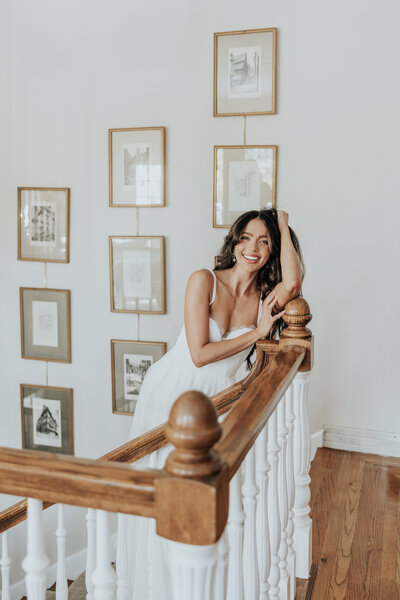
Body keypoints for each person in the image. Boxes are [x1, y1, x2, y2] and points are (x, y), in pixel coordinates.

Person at [126, 208, 304, 598]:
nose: (252, 248)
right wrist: (257, 332)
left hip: (219, 405)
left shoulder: (263, 296)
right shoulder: (202, 280)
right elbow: (199, 354)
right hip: (172, 397)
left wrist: (285, 226)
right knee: (165, 498)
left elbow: (292, 281)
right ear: (234, 242)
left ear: (272, 250)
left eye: (264, 240)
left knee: (205, 499)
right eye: (246, 238)